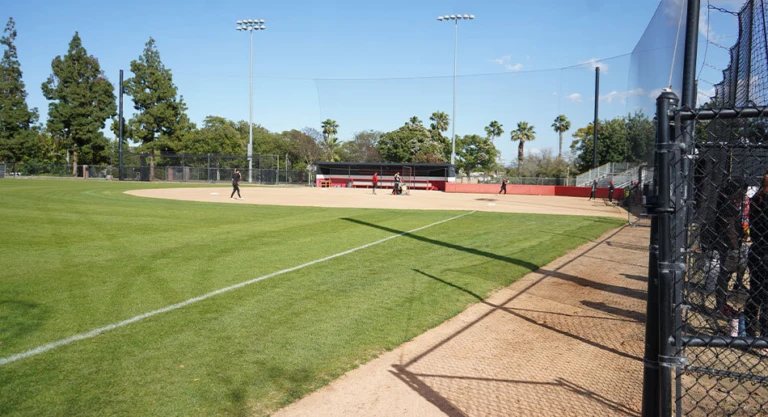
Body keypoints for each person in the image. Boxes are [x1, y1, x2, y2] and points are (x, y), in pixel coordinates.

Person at [711, 179, 745, 317]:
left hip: (726, 244)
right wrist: (736, 247)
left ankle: (721, 304)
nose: (744, 194)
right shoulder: (728, 205)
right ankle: (719, 306)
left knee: (726, 274)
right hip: (728, 245)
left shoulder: (727, 203)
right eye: (742, 190)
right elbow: (731, 228)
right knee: (724, 274)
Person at [746, 173, 768, 340]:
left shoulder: (755, 200)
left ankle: (749, 330)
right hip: (765, 252)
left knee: (755, 293)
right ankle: (765, 336)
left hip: (756, 250)